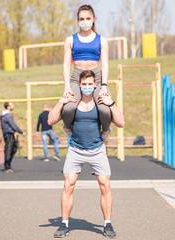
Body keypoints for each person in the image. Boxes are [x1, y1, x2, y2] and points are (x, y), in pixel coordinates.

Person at [48, 70, 125, 239]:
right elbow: (50, 120)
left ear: (95, 85)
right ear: (79, 85)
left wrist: (111, 103)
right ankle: (64, 224)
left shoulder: (100, 103)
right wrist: (61, 102)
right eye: (85, 84)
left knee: (105, 186)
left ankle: (107, 224)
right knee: (68, 185)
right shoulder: (73, 103)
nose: (88, 87)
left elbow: (121, 123)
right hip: (76, 150)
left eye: (91, 84)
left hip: (97, 150)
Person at [61, 4, 112, 140]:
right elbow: (66, 64)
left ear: (93, 19)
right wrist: (67, 86)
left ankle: (106, 130)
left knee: (105, 110)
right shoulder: (70, 40)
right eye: (81, 19)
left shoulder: (102, 40)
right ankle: (67, 127)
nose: (85, 22)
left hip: (96, 77)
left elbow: (105, 64)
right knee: (68, 108)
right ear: (78, 20)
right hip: (77, 77)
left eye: (87, 18)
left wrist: (104, 86)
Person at [0, 102, 26, 173]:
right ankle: (7, 167)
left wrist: (14, 132)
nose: (14, 106)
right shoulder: (8, 115)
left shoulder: (4, 114)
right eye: (12, 105)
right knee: (9, 149)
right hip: (8, 134)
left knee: (14, 148)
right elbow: (13, 125)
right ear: (8, 106)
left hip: (9, 133)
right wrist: (22, 132)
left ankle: (8, 165)